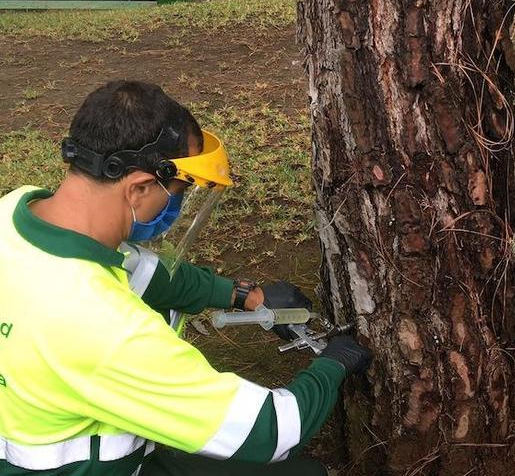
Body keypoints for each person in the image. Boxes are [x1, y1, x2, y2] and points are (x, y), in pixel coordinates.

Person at [0, 80, 372, 475]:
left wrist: (245, 295)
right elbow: (273, 431)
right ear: (140, 187)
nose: (175, 202)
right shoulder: (107, 330)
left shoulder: (14, 213)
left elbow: (146, 274)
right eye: (177, 190)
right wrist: (334, 363)